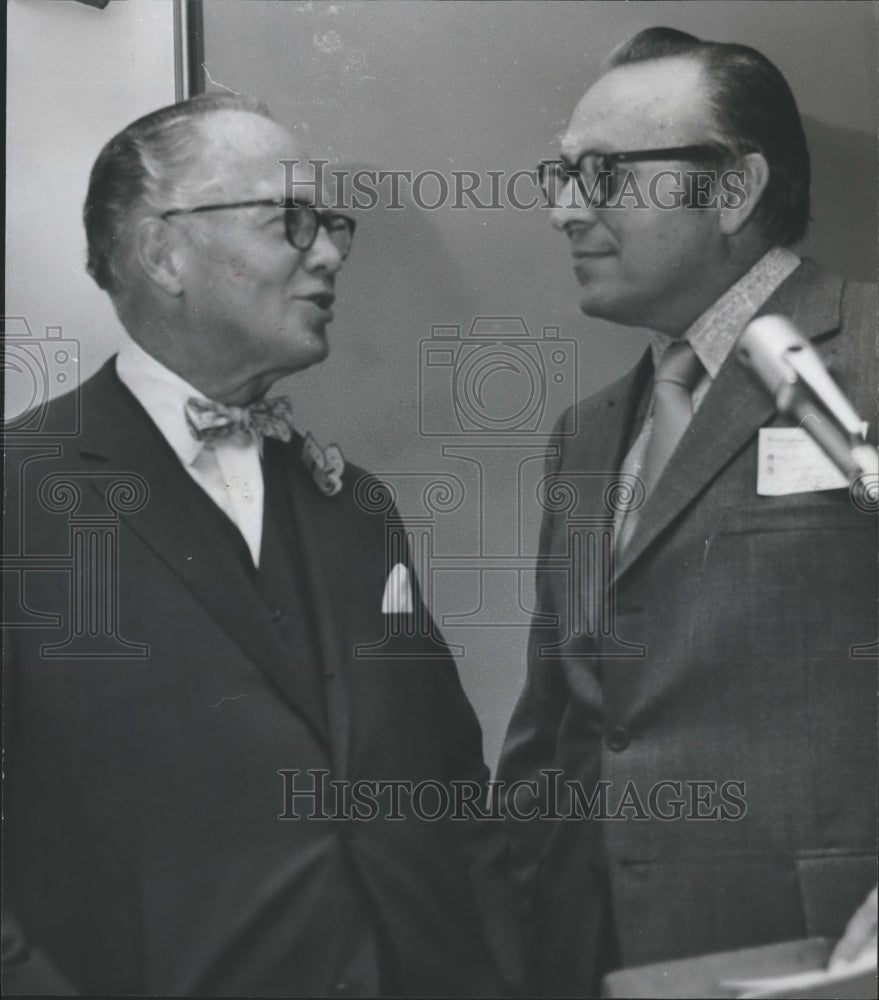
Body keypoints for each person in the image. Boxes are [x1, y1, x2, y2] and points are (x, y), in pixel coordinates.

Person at [3, 94, 519, 997]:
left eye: (329, 224)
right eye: (290, 220)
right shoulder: (19, 493)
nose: (326, 254)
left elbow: (445, 784)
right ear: (165, 252)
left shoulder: (357, 505)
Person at [498, 27, 877, 995]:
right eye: (560, 173)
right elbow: (554, 732)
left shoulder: (871, 358)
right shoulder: (586, 437)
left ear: (736, 190)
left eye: (603, 174)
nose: (562, 209)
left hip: (817, 959)